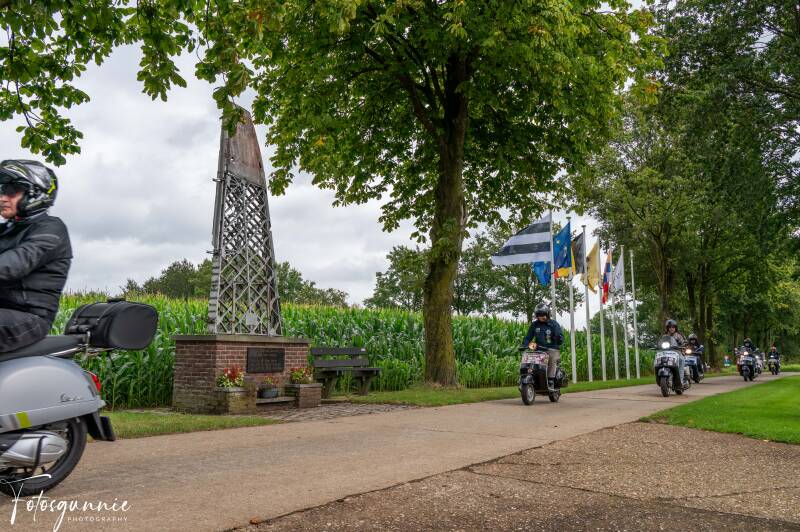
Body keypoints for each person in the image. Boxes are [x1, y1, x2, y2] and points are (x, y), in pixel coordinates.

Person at [0, 159, 71, 352]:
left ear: (35, 193)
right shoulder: (8, 229)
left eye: (11, 191)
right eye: (2, 190)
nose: (3, 197)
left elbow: (13, 265)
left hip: (28, 318)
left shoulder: (51, 229)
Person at [522, 303, 563, 392]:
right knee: (528, 356)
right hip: (538, 349)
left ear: (547, 314)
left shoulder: (553, 324)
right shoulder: (534, 325)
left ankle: (551, 380)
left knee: (551, 358)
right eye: (539, 315)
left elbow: (560, 338)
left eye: (543, 314)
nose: (541, 316)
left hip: (552, 349)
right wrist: (524, 344)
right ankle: (527, 376)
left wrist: (558, 338)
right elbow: (528, 337)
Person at [664, 319, 687, 384]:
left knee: (681, 360)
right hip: (667, 353)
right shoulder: (665, 336)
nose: (671, 328)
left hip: (677, 352)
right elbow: (660, 343)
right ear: (667, 328)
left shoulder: (678, 335)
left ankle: (681, 381)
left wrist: (683, 345)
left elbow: (683, 343)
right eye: (670, 327)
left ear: (675, 328)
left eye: (673, 327)